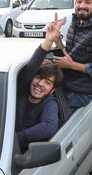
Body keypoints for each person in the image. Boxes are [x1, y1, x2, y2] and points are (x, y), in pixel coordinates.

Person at [16, 15, 65, 150]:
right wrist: (48, 41)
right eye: (38, 77)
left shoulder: (49, 103)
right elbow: (32, 66)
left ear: (52, 90)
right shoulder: (20, 91)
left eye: (48, 82)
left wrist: (15, 140)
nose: (40, 84)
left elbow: (49, 127)